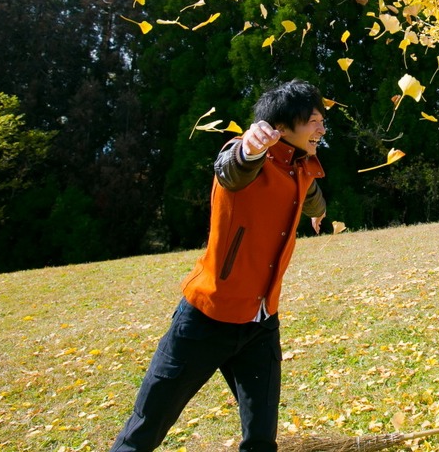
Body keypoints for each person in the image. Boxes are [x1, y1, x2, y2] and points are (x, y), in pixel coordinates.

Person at [110, 79, 329, 452]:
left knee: (261, 440)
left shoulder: (301, 166)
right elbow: (233, 168)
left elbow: (312, 194)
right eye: (313, 121)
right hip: (206, 318)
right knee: (144, 430)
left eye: (322, 121)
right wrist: (250, 147)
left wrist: (319, 213)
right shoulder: (245, 155)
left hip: (261, 324)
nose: (321, 129)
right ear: (280, 127)